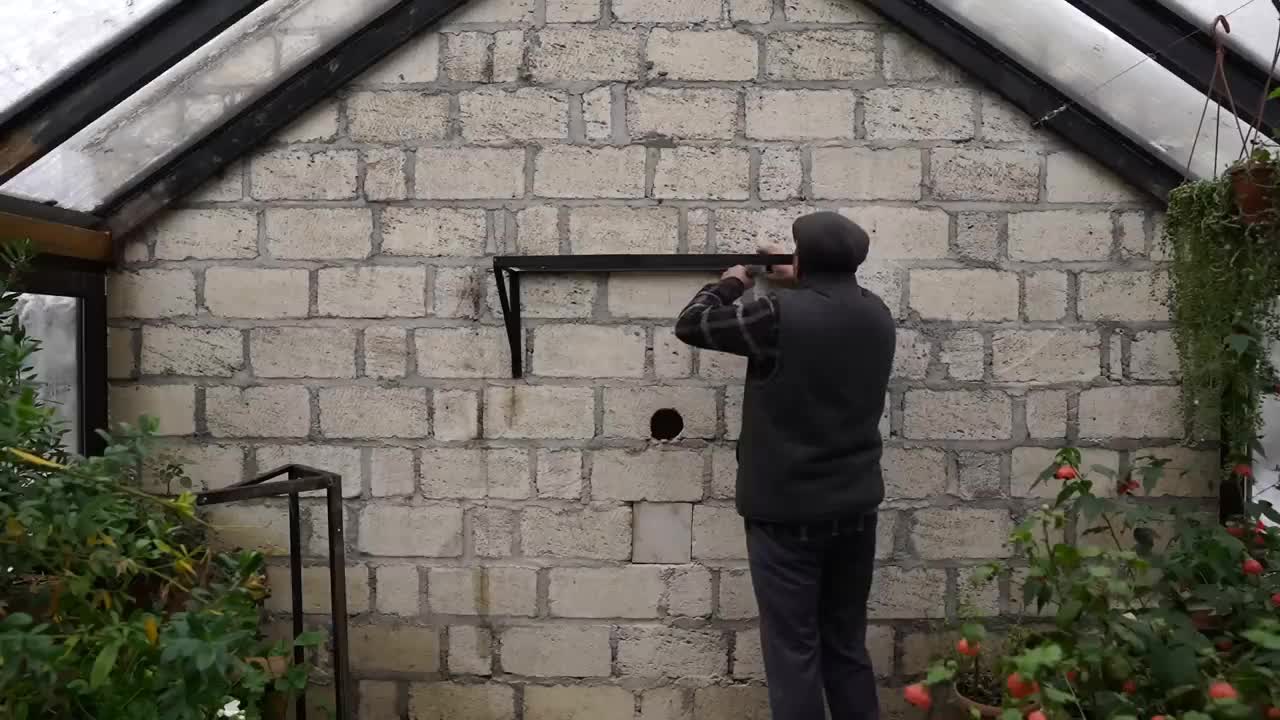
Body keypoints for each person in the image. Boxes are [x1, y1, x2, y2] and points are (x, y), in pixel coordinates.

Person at [673, 211, 896, 720]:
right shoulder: (877, 314)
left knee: (794, 656)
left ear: (802, 261)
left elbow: (692, 324)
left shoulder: (775, 316)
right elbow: (826, 297)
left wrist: (731, 281)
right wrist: (799, 274)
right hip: (856, 512)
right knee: (845, 649)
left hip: (786, 516)